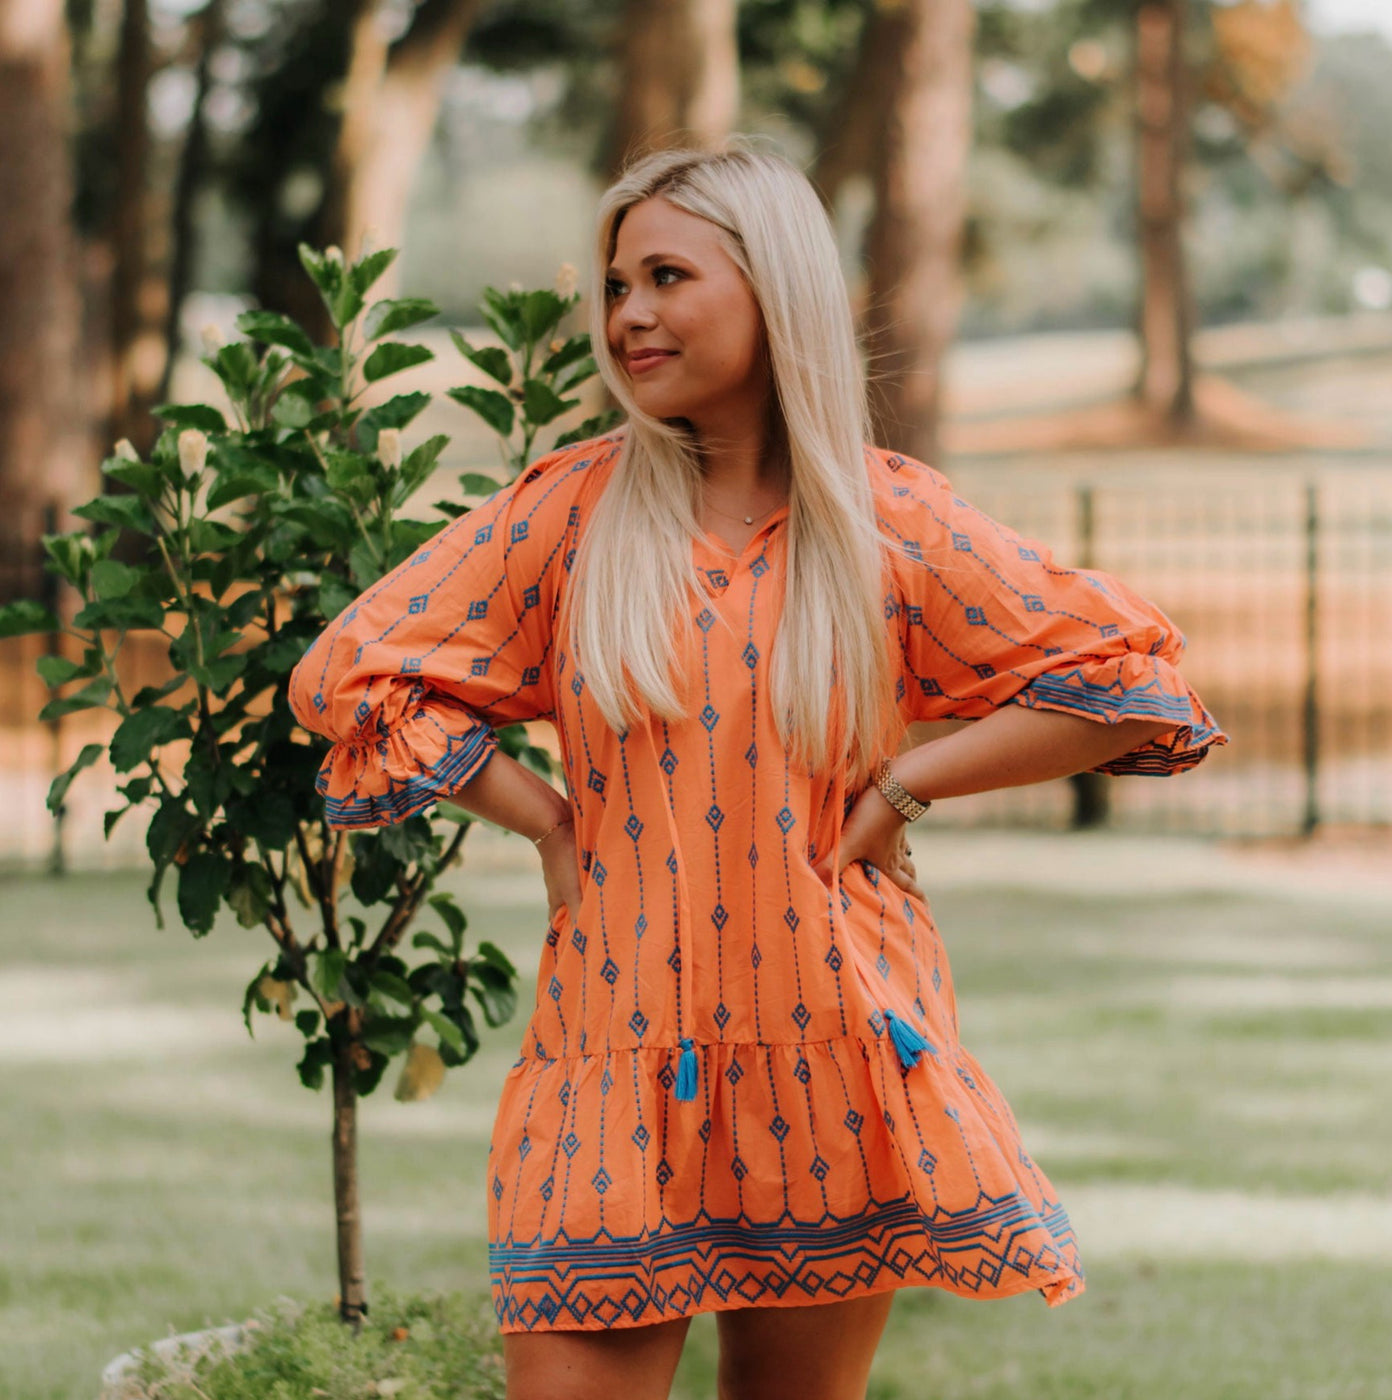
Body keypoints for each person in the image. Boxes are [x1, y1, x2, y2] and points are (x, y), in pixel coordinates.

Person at [288, 143, 1226, 1400]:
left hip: (836, 1036)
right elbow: (352, 672)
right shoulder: (571, 515)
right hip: (615, 1046)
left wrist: (908, 786)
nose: (627, 315)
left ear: (770, 289)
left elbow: (1129, 684)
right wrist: (549, 826)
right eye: (617, 284)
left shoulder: (885, 519)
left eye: (666, 275)